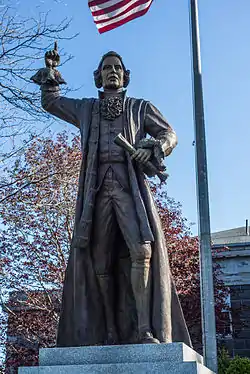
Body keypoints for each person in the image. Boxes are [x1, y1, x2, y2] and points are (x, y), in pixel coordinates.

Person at [31, 43, 191, 347]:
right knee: (99, 259)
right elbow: (51, 102)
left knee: (142, 250)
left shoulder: (140, 107)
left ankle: (145, 329)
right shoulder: (86, 108)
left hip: (129, 186)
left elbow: (169, 134)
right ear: (98, 77)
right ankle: (108, 330)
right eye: (107, 68)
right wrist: (51, 71)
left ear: (126, 76)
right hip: (97, 190)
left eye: (117, 68)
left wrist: (151, 148)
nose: (113, 72)